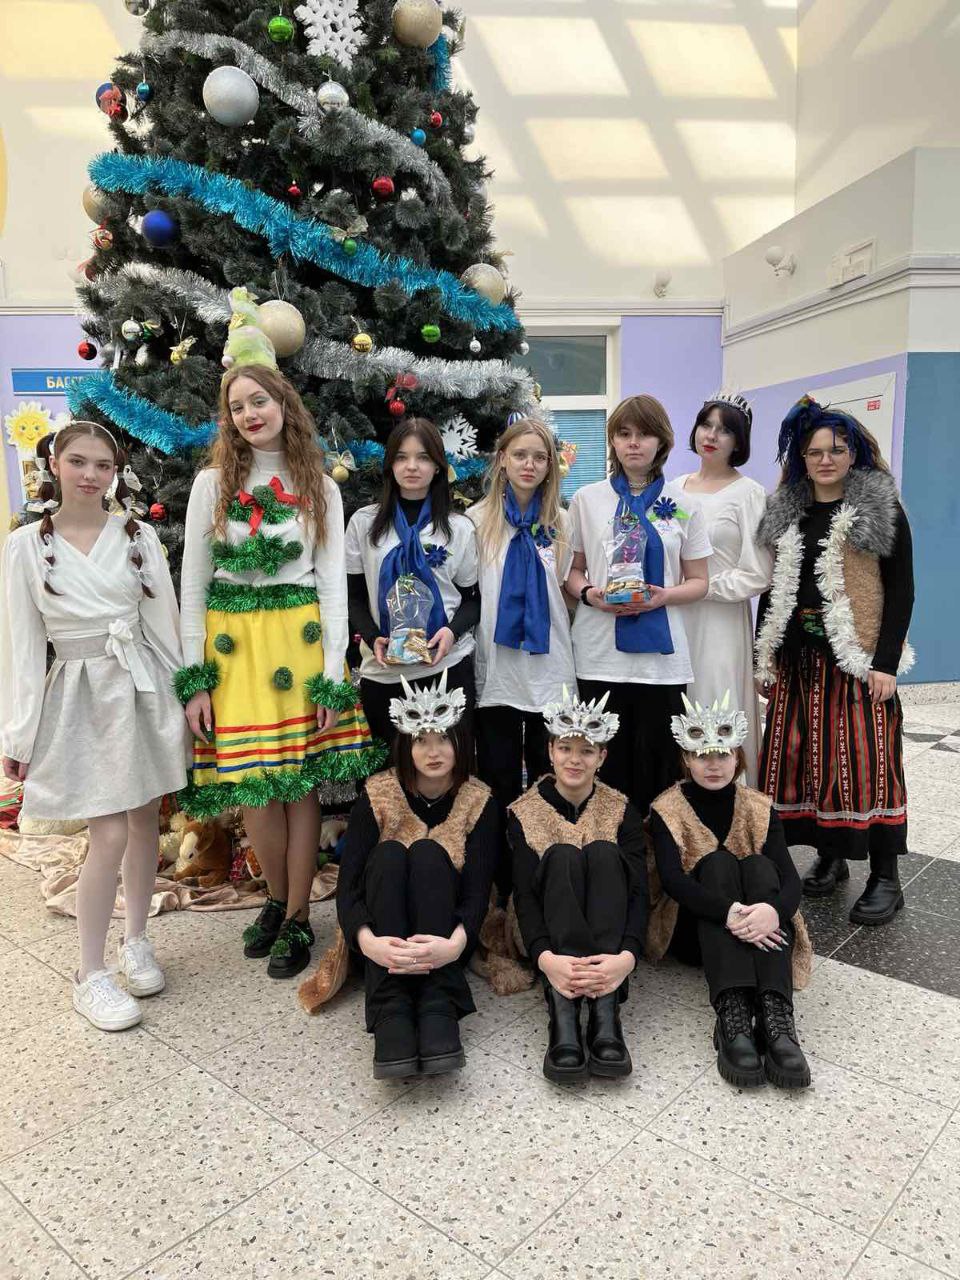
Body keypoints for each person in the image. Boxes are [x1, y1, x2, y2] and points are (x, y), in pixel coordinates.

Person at [178, 357, 383, 980]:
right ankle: (274, 898)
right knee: (255, 787)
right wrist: (194, 680)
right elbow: (193, 584)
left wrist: (333, 677)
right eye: (237, 406)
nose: (249, 414)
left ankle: (297, 916)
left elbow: (332, 588)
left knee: (299, 787)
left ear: (284, 404)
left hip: (299, 644)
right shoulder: (211, 485)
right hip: (233, 653)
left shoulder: (320, 485)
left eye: (259, 401)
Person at [0, 422, 188, 1031]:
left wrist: (186, 695)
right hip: (79, 694)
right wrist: (18, 733)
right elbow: (21, 646)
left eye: (102, 465)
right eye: (78, 461)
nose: (90, 475)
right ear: (54, 464)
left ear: (116, 472)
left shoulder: (139, 536)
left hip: (141, 686)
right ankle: (89, 972)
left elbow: (163, 624)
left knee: (143, 819)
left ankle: (136, 940)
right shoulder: (26, 546)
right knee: (106, 832)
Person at [755, 396, 915, 926]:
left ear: (853, 455)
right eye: (814, 451)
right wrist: (765, 656)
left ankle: (885, 876)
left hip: (856, 658)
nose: (825, 460)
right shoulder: (787, 511)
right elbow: (773, 589)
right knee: (807, 763)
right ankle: (830, 856)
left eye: (837, 450)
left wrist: (885, 662)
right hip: (798, 660)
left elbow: (901, 589)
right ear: (801, 459)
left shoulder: (878, 510)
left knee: (867, 765)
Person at [334, 672, 498, 1079]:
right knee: (390, 853)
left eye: (443, 739)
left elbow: (478, 890)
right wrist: (368, 943)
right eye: (421, 740)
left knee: (427, 852)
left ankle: (438, 1000)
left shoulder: (478, 798)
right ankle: (390, 1006)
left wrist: (455, 945)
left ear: (461, 742)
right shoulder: (378, 793)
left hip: (445, 934)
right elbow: (348, 885)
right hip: (383, 935)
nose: (433, 751)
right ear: (405, 745)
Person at [647, 693, 813, 1089]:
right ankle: (733, 1012)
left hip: (763, 925)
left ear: (736, 756)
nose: (713, 765)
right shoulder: (667, 808)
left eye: (722, 755)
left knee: (759, 866)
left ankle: (775, 1013)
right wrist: (729, 912)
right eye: (701, 755)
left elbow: (790, 880)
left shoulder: (759, 806)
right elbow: (673, 881)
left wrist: (772, 912)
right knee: (718, 864)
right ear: (686, 759)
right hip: (695, 931)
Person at [564, 394, 712, 817]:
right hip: (598, 655)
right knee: (601, 768)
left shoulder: (683, 505)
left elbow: (699, 582)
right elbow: (573, 573)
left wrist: (663, 596)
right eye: (624, 434)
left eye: (644, 434)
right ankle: (604, 847)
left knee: (660, 770)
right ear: (612, 441)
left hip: (661, 664)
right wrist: (591, 595)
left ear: (661, 441)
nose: (633, 443)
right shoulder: (587, 499)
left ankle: (654, 849)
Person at [508, 688, 648, 1083]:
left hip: (611, 940)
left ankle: (605, 1007)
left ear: (601, 757)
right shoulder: (524, 811)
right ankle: (563, 1009)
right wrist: (546, 960)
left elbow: (639, 891)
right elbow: (524, 896)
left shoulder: (621, 809)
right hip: (550, 938)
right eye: (566, 748)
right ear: (550, 751)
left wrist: (627, 958)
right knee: (563, 854)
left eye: (586, 751)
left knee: (603, 851)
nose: (575, 759)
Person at [345, 417, 480, 749]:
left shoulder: (458, 527)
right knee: (390, 773)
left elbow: (472, 599)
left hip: (446, 670)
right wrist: (373, 637)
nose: (412, 467)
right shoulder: (364, 523)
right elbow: (353, 597)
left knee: (450, 768)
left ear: (437, 467)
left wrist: (451, 633)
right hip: (384, 672)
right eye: (402, 457)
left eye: (423, 457)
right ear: (390, 465)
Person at [468, 417, 575, 821]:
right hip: (499, 666)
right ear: (502, 460)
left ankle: (546, 851)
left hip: (550, 663)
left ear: (550, 465)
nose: (529, 465)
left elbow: (567, 590)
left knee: (549, 773)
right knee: (498, 774)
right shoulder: (476, 522)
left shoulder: (561, 522)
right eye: (519, 455)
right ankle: (500, 854)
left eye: (539, 457)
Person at [676, 392, 772, 785]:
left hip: (720, 622)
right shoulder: (673, 489)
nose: (712, 436)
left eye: (724, 430)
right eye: (706, 425)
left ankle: (731, 798)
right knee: (677, 704)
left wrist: (701, 587)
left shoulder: (749, 494)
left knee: (718, 699)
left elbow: (759, 572)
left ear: (739, 441)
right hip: (673, 617)